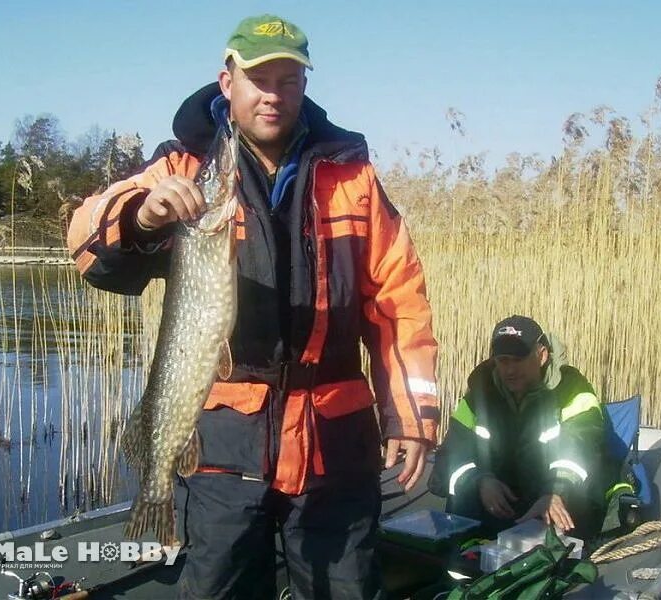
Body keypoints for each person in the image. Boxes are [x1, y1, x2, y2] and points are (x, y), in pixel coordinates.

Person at [67, 13, 438, 600]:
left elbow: (399, 301)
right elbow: (84, 244)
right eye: (259, 78)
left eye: (288, 79)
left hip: (333, 447)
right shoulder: (182, 166)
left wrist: (413, 418)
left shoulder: (352, 175)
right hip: (221, 445)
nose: (273, 93)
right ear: (227, 81)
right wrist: (142, 216)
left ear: (305, 86)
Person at [428, 315, 609, 540]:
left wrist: (556, 491)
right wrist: (480, 480)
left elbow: (582, 446)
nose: (510, 370)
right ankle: (461, 571)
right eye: (503, 360)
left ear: (541, 355)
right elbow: (452, 452)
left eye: (518, 359)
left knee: (572, 501)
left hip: (552, 503)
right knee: (462, 493)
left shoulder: (572, 390)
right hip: (496, 507)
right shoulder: (479, 394)